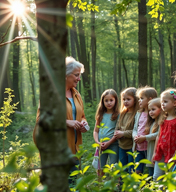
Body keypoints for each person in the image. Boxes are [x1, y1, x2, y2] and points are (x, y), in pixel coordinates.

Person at [33, 56, 88, 185]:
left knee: (74, 185)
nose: (79, 78)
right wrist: (66, 122)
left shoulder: (76, 94)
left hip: (75, 150)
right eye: (76, 75)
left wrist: (84, 123)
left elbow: (82, 115)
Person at [152, 89, 176, 181]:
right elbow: (158, 136)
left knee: (171, 178)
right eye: (162, 102)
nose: (162, 104)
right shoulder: (163, 118)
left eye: (165, 102)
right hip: (161, 152)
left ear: (175, 103)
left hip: (172, 153)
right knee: (156, 177)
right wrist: (154, 152)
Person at [93, 89, 119, 178]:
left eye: (111, 100)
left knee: (113, 166)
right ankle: (100, 185)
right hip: (101, 146)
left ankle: (114, 185)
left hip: (113, 145)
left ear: (116, 100)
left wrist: (108, 143)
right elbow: (96, 131)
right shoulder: (100, 114)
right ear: (102, 101)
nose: (109, 103)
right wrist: (97, 142)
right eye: (106, 100)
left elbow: (116, 132)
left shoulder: (118, 115)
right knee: (100, 167)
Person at [132, 87, 157, 174]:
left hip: (149, 148)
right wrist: (135, 136)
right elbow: (135, 129)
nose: (139, 101)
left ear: (150, 99)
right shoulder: (139, 113)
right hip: (139, 148)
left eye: (142, 98)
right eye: (139, 98)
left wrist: (145, 138)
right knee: (138, 171)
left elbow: (158, 133)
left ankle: (151, 187)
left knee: (151, 172)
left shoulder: (155, 115)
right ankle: (138, 187)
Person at [114, 87, 139, 173]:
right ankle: (121, 185)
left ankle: (132, 186)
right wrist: (116, 132)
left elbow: (137, 131)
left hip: (131, 147)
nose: (125, 101)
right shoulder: (122, 113)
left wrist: (123, 133)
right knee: (122, 168)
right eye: (124, 99)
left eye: (128, 99)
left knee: (131, 169)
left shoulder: (137, 114)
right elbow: (118, 125)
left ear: (135, 100)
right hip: (122, 146)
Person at [145, 98, 164, 177]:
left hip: (158, 154)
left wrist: (145, 137)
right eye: (149, 110)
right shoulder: (152, 123)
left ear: (161, 109)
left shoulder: (162, 122)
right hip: (151, 154)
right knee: (151, 175)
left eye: (153, 109)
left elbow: (158, 134)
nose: (150, 112)